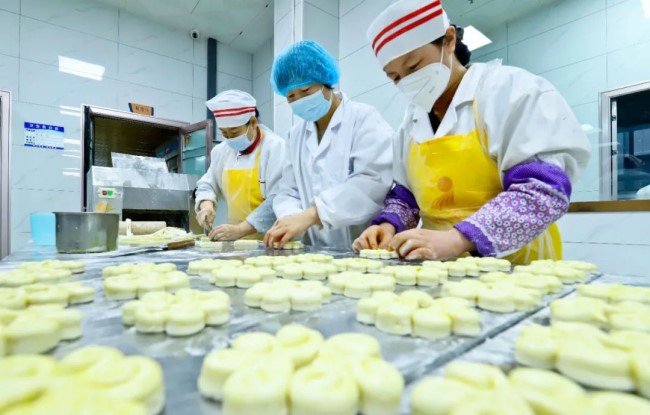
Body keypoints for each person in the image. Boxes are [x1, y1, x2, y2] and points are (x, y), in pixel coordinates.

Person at [354, 0, 591, 264]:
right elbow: (406, 197)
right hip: (436, 270)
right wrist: (389, 226)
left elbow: (543, 190)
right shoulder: (410, 125)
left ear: (449, 40)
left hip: (519, 267)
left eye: (413, 66)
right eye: (395, 77)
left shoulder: (512, 92)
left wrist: (458, 239)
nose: (407, 81)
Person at [264, 40, 394, 250]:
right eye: (290, 96)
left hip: (365, 247)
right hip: (314, 250)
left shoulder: (364, 118)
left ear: (326, 82)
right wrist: (290, 218)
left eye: (305, 91)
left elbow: (373, 183)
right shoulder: (295, 135)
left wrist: (315, 214)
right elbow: (288, 190)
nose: (299, 100)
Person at [195, 90, 287, 240]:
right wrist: (207, 206)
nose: (230, 139)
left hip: (272, 239)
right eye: (225, 134)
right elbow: (207, 184)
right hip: (235, 241)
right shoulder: (221, 152)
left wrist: (240, 229)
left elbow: (278, 198)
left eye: (235, 132)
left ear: (253, 123)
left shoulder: (274, 147)